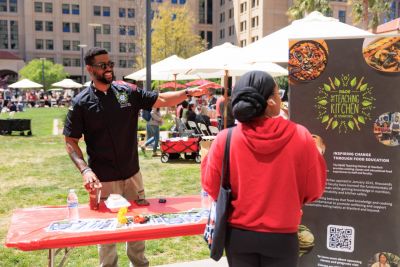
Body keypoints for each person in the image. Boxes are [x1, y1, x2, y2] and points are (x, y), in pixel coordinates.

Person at [63, 47, 207, 267]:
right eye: (103, 65)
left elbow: (160, 99)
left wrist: (187, 93)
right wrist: (85, 170)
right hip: (104, 179)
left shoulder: (125, 91)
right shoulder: (81, 103)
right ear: (90, 69)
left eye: (110, 64)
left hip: (133, 175)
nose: (109, 68)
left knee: (139, 226)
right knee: (108, 232)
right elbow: (70, 142)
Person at [201, 71, 327, 267]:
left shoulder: (225, 139)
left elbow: (211, 186)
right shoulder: (301, 136)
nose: (280, 97)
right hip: (282, 237)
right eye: (278, 93)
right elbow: (314, 191)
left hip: (238, 236)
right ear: (270, 101)